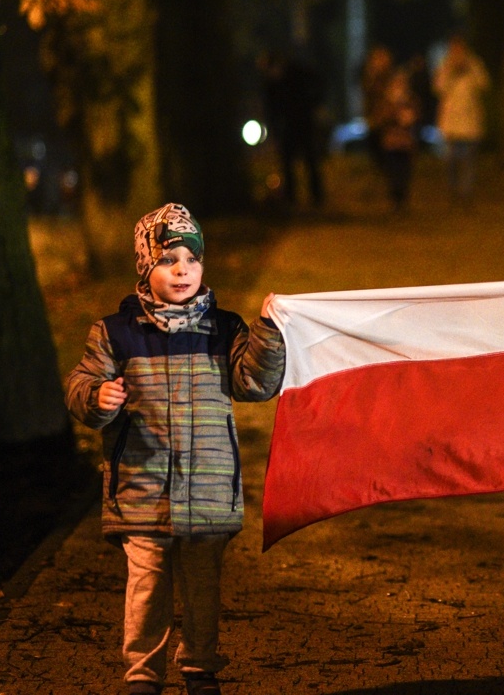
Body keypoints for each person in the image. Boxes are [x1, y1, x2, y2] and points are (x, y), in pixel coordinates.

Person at [66, 204, 286, 695]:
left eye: (192, 258)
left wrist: (269, 331)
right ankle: (143, 675)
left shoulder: (224, 329)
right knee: (146, 589)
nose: (182, 269)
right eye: (169, 260)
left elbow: (253, 383)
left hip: (208, 489)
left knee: (203, 588)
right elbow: (81, 383)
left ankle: (200, 668)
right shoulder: (116, 333)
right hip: (141, 489)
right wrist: (97, 398)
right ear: (146, 268)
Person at [260, 51, 328, 209]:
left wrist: (314, 103)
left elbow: (319, 83)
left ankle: (317, 196)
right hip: (286, 126)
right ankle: (291, 197)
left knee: (310, 159)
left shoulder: (298, 72)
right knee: (286, 162)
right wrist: (274, 130)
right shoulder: (270, 83)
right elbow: (270, 108)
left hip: (304, 121)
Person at [432, 34, 491, 203]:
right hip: (451, 123)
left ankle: (465, 194)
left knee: (468, 161)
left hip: (470, 122)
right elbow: (438, 88)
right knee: (450, 160)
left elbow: (484, 84)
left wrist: (470, 69)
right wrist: (451, 71)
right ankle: (452, 190)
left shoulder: (474, 64)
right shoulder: (445, 65)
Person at [375, 70, 422, 211]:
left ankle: (403, 198)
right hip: (390, 143)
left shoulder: (410, 99)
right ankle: (395, 198)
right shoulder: (386, 100)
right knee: (392, 171)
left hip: (405, 143)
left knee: (405, 172)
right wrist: (393, 114)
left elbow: (416, 116)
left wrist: (409, 117)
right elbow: (380, 118)